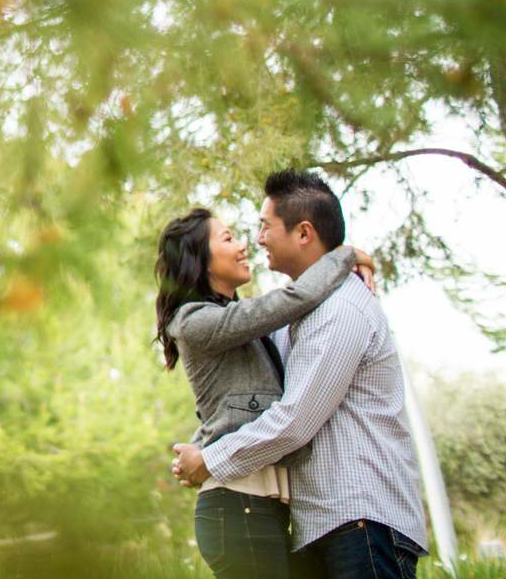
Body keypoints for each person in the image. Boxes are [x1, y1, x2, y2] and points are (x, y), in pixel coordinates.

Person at [172, 169, 430, 579]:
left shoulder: (341, 307)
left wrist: (210, 458)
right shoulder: (290, 320)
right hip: (325, 524)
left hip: (360, 519)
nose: (255, 241)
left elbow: (294, 421)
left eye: (264, 227)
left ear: (304, 233)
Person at [156, 203, 372, 579]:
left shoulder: (238, 328)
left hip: (258, 507)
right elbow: (290, 301)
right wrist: (343, 255)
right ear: (201, 260)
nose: (244, 246)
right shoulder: (195, 321)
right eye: (228, 238)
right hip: (237, 505)